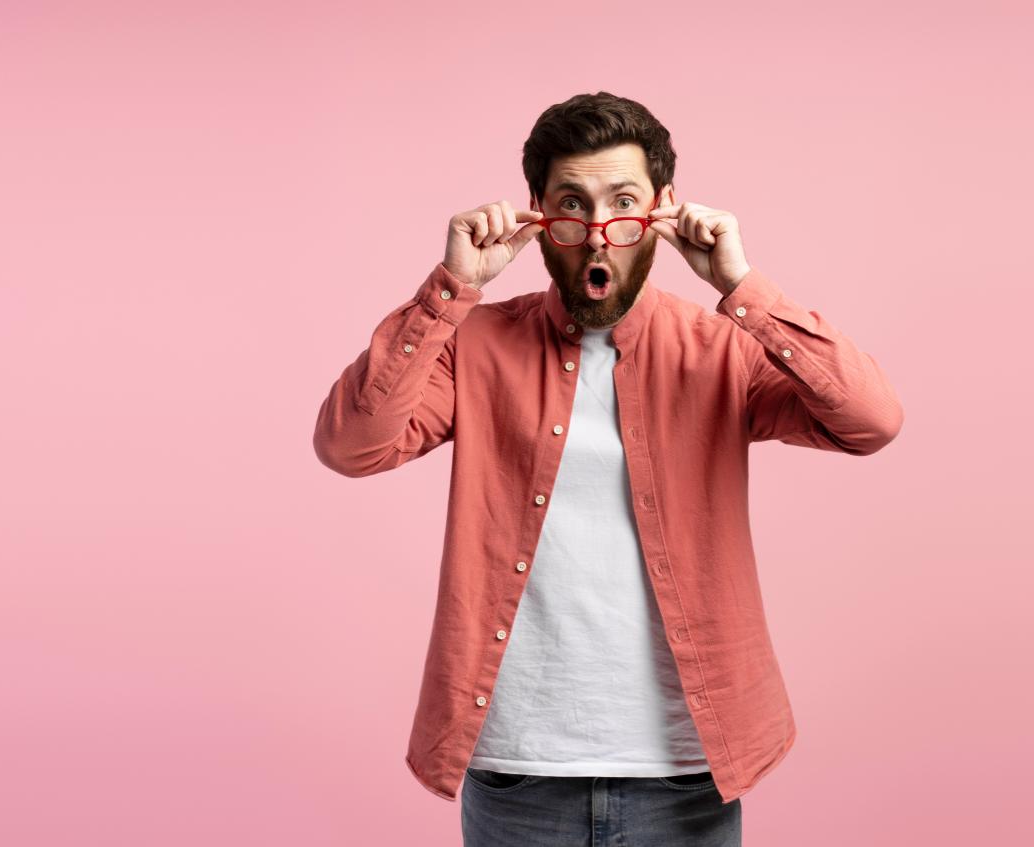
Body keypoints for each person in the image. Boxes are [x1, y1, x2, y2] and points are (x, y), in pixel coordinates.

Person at [312, 91, 904, 846]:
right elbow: (351, 444)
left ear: (663, 208)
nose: (598, 234)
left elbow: (872, 419)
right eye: (572, 204)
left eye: (623, 202)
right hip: (517, 773)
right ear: (537, 215)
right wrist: (450, 290)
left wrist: (742, 288)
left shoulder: (722, 348)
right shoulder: (475, 343)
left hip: (687, 774)